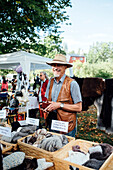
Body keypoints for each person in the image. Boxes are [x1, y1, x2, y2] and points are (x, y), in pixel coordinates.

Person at [44, 54, 82, 137]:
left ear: (65, 67)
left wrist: (60, 105)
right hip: (52, 121)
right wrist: (46, 106)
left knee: (65, 147)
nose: (56, 67)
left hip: (66, 124)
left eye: (59, 65)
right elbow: (48, 100)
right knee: (53, 146)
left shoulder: (72, 83)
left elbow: (79, 107)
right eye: (54, 65)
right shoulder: (50, 81)